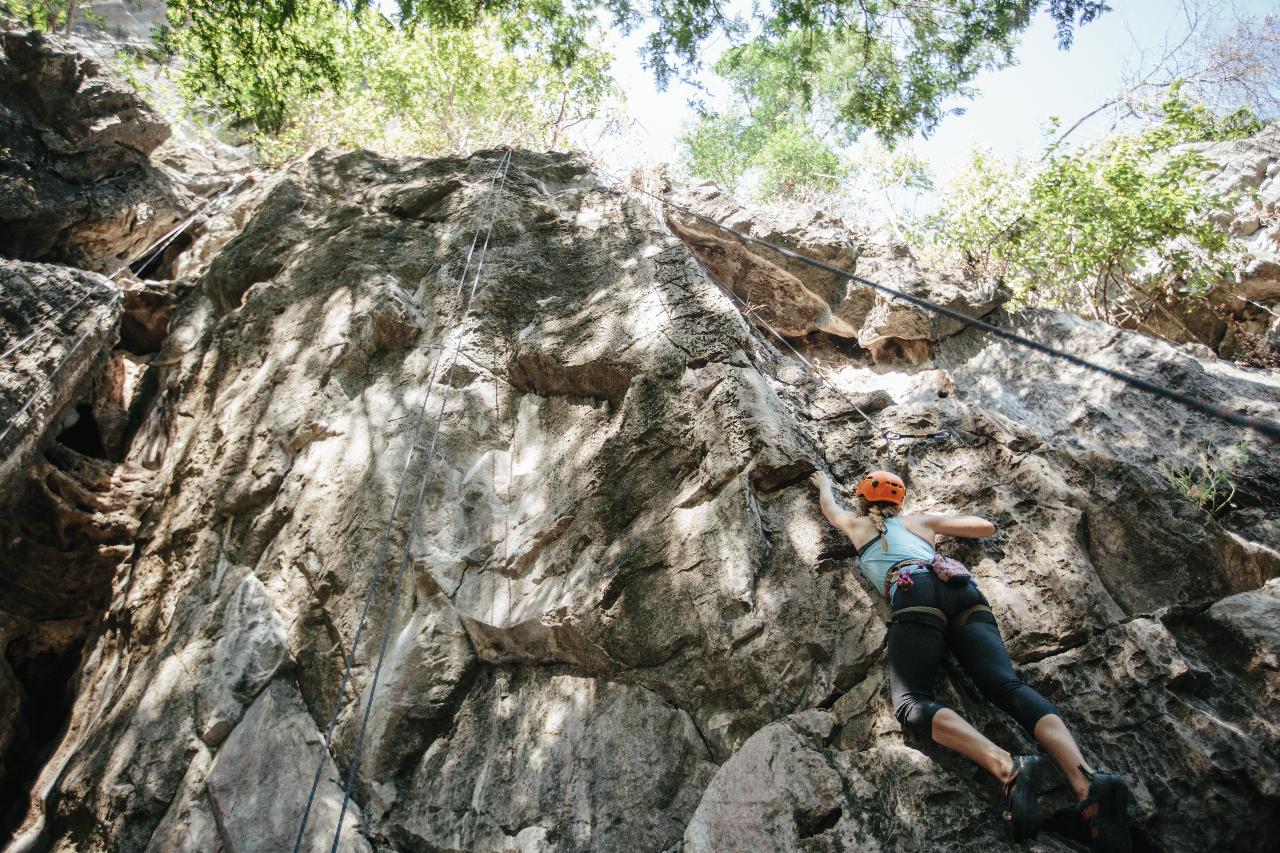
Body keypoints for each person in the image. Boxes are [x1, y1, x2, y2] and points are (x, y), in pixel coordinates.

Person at [811, 468, 1133, 851]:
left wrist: (822, 483)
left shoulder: (856, 523)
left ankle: (1006, 766)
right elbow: (984, 527)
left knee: (912, 702)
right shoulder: (921, 522)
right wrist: (937, 524)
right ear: (900, 502)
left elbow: (829, 508)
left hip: (915, 592)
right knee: (1007, 686)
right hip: (964, 592)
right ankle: (1086, 782)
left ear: (863, 499)